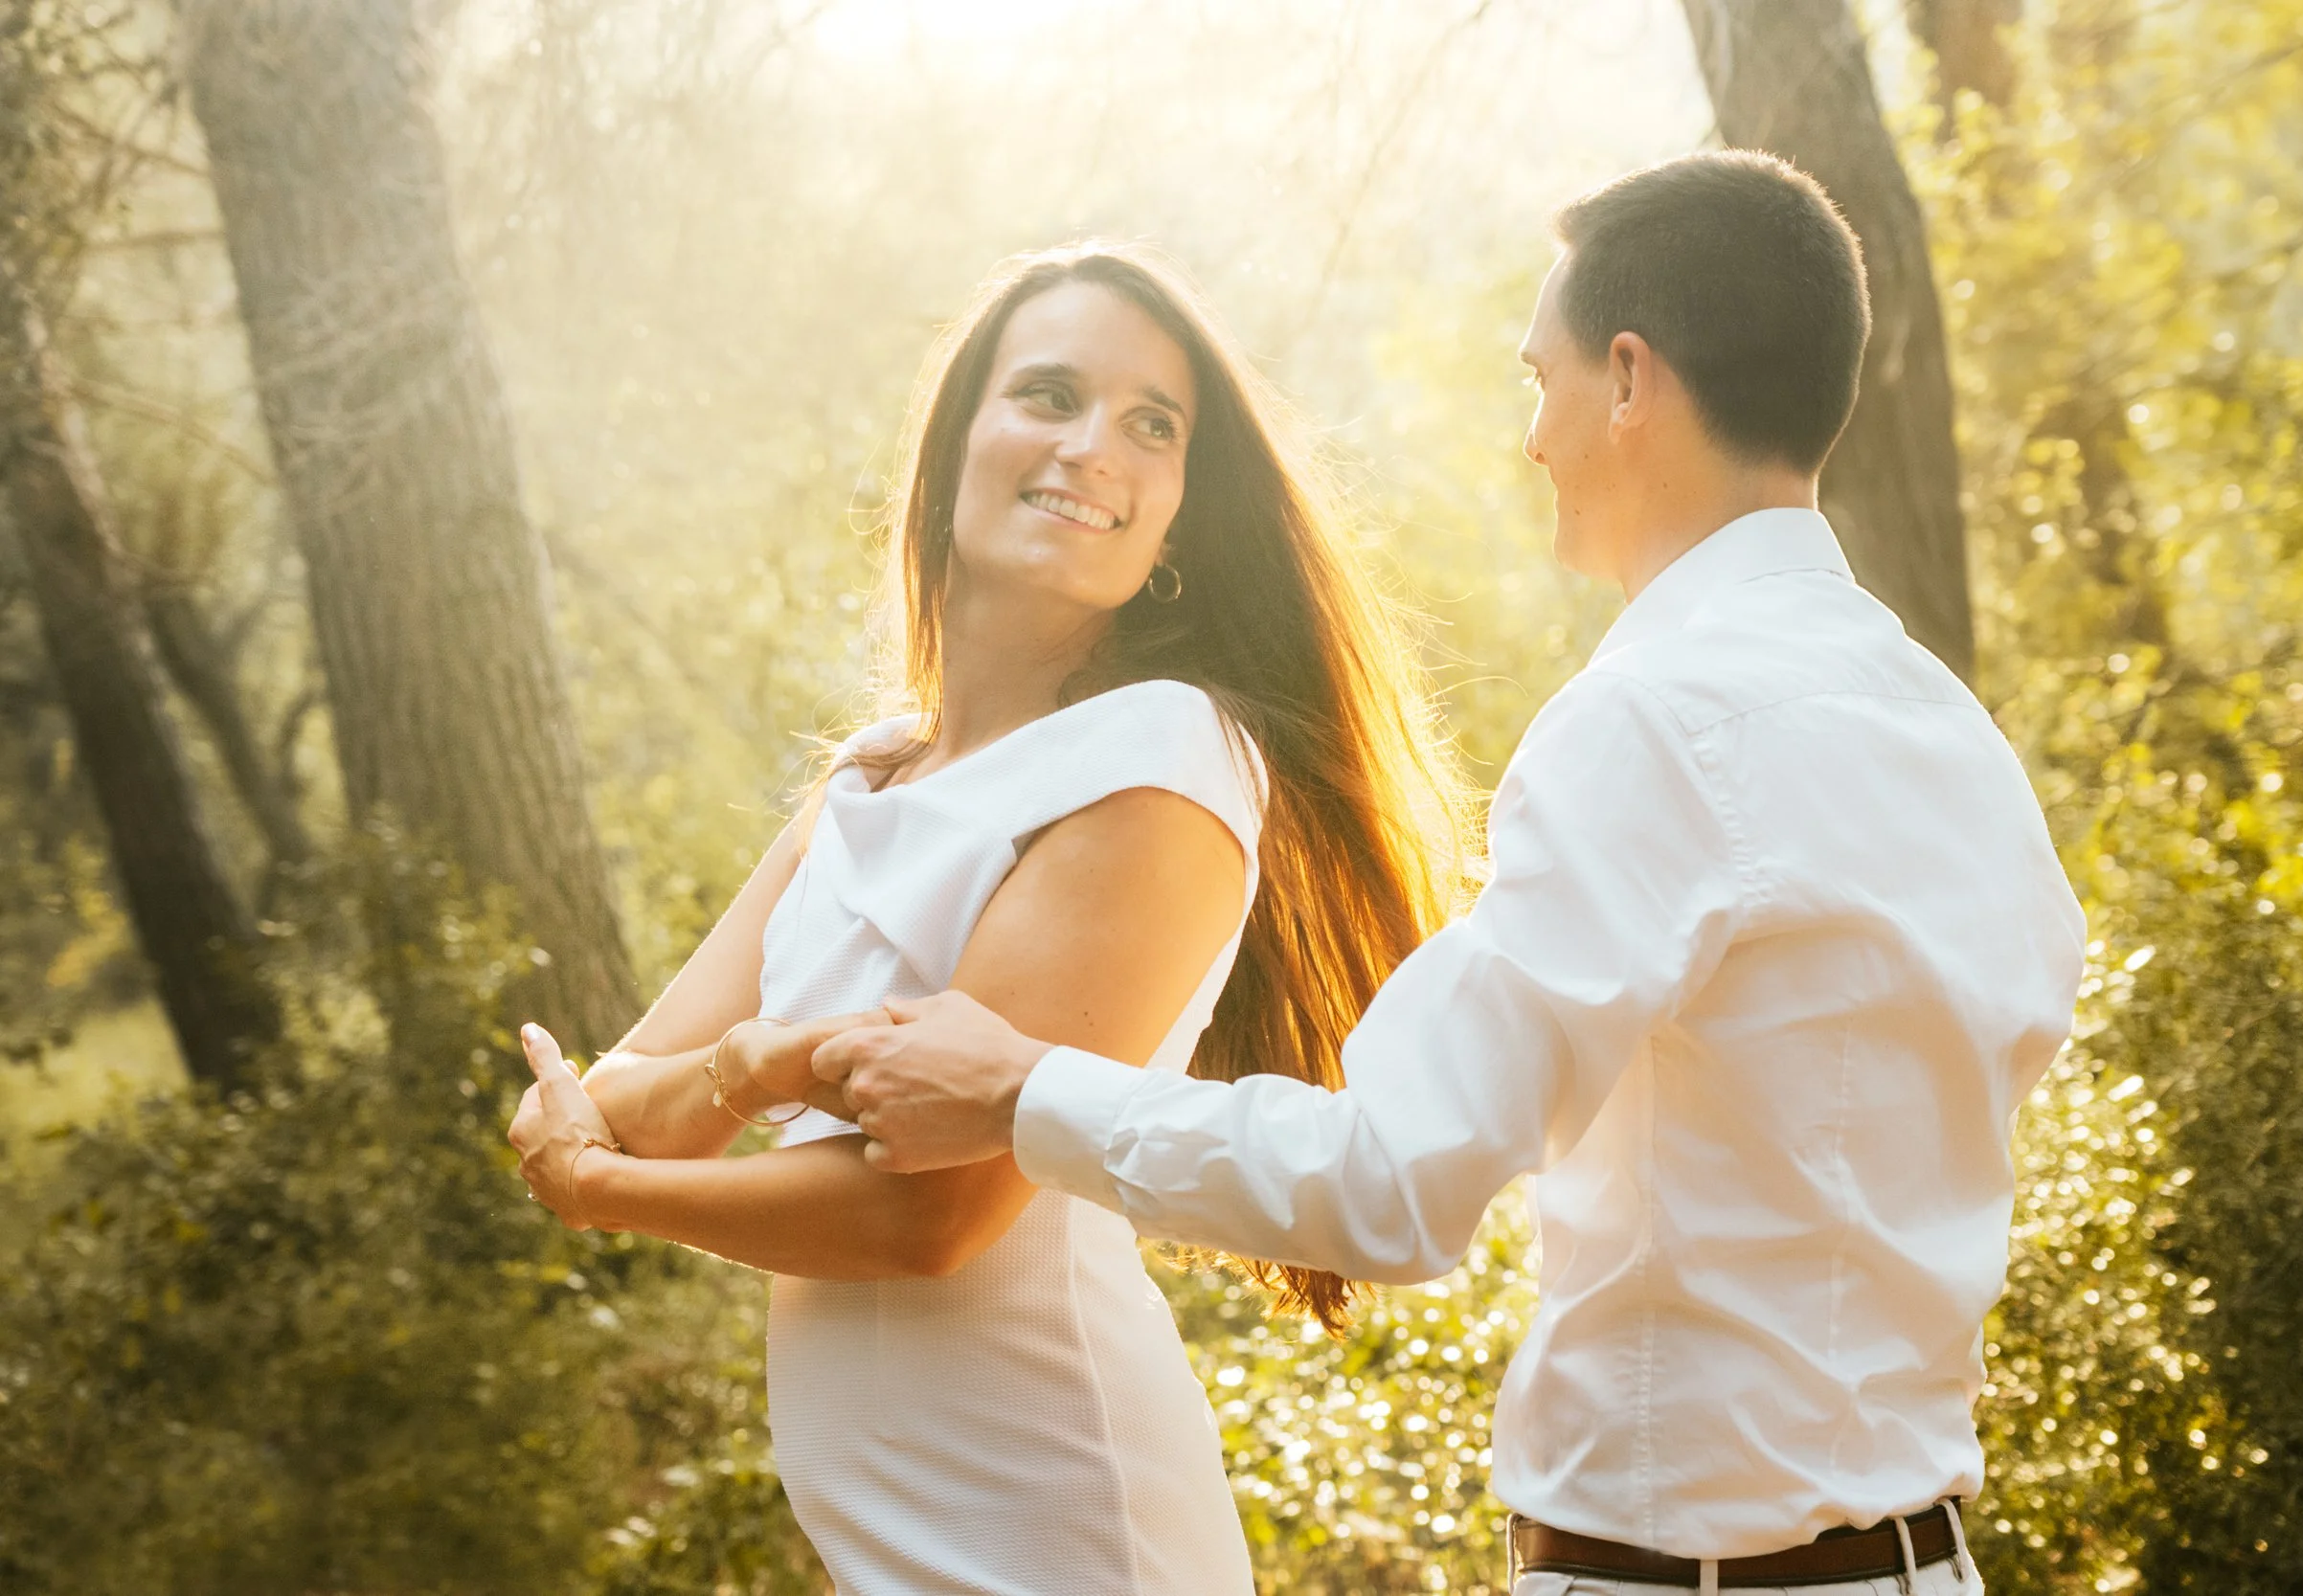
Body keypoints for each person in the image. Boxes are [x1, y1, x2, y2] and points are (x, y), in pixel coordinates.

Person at [807, 152, 2088, 1594]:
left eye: (1534, 378)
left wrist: (1017, 1086)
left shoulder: (1655, 723)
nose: (1531, 434)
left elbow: (1389, 1188)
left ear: (1625, 380)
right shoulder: (1955, 739)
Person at [505, 244, 1469, 1595]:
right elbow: (615, 1093)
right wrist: (752, 1066)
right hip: (897, 1538)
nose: (1092, 448)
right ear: (958, 436)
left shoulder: (1165, 755)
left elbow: (930, 1213)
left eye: (1152, 424)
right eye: (1051, 394)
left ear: (1180, 515)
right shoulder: (871, 778)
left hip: (1061, 1524)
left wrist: (611, 1190)